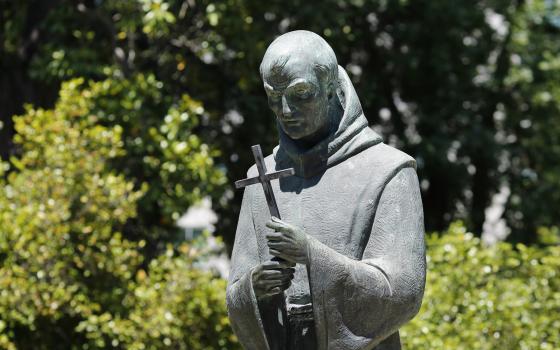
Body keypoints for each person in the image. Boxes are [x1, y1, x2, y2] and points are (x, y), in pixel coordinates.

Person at [227, 30, 426, 350]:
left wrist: (312, 255)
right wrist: (255, 288)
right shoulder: (262, 176)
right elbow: (236, 291)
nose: (285, 111)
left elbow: (403, 291)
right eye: (274, 98)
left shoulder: (389, 171)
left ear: (332, 89)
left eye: (300, 94)